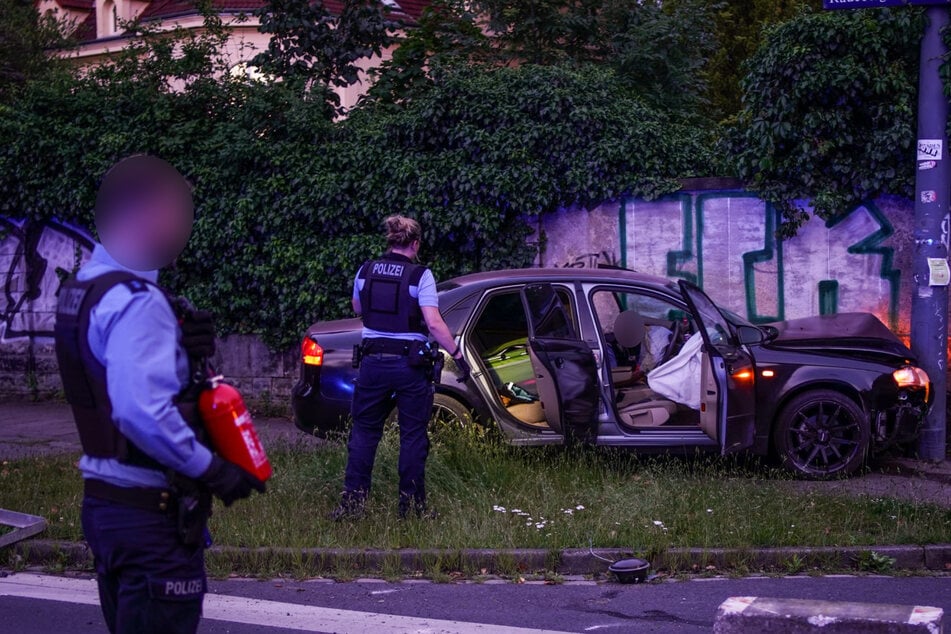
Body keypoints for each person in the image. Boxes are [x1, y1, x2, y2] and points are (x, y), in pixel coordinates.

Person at [54, 155, 266, 634]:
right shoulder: (137, 303)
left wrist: (179, 350)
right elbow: (138, 411)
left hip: (107, 509)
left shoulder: (84, 288)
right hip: (151, 515)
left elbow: (104, 377)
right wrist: (210, 469)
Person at [331, 215, 470, 520]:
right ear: (416, 244)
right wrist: (457, 355)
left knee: (364, 433)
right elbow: (433, 323)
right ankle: (411, 509)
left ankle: (351, 506)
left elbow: (358, 307)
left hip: (371, 363)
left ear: (390, 240)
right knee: (412, 436)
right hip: (410, 366)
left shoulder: (365, 270)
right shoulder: (421, 276)